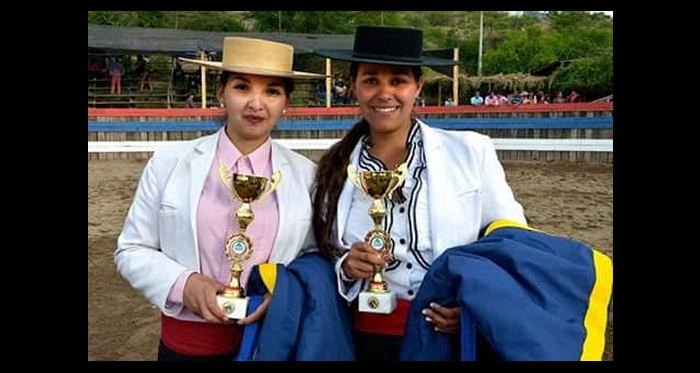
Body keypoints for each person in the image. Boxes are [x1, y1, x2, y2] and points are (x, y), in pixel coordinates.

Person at [312, 25, 528, 361]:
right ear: (354, 87)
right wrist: (347, 267)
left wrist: (476, 304)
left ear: (418, 87)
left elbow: (511, 240)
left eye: (398, 81)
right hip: (363, 337)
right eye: (371, 80)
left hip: (449, 334)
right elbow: (321, 251)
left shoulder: (471, 152)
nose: (385, 93)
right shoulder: (332, 167)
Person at [115, 36, 325, 361]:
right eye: (242, 87)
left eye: (272, 90)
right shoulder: (169, 163)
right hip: (186, 345)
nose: (256, 103)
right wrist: (184, 284)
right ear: (220, 92)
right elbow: (131, 249)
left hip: (267, 342)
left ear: (285, 102)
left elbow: (314, 255)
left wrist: (284, 290)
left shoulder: (305, 175)